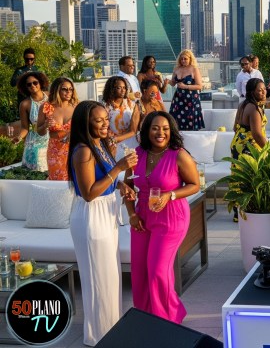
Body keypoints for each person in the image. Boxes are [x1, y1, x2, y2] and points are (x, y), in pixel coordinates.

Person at [68, 100, 137, 346]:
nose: (106, 124)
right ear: (85, 124)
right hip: (91, 218)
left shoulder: (100, 145)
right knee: (98, 279)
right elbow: (89, 193)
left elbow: (104, 181)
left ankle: (111, 328)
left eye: (106, 119)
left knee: (109, 276)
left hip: (105, 215)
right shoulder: (84, 151)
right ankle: (98, 335)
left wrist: (121, 185)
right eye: (99, 121)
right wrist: (119, 168)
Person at [126, 111, 198, 324]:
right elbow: (128, 187)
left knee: (158, 271)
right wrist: (131, 214)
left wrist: (170, 195)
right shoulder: (137, 154)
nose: (161, 133)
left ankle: (168, 319)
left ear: (171, 131)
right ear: (147, 131)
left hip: (171, 217)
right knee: (139, 271)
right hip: (142, 216)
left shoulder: (179, 155)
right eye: (155, 128)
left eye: (165, 129)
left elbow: (194, 185)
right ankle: (146, 318)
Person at [230, 78, 269, 222]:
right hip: (249, 148)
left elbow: (235, 127)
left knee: (238, 178)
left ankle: (237, 213)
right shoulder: (254, 109)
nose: (263, 92)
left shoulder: (243, 104)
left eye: (264, 89)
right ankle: (247, 212)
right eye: (260, 90)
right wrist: (269, 150)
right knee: (249, 179)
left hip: (238, 144)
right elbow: (257, 134)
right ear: (252, 92)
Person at [37, 77, 79, 181]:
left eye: (71, 89)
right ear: (56, 90)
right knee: (57, 180)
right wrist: (45, 125)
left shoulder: (77, 107)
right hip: (55, 150)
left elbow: (84, 128)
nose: (69, 92)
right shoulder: (46, 107)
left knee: (75, 180)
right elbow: (40, 132)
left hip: (75, 148)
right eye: (65, 89)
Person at [13, 72, 49, 171]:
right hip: (34, 142)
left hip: (52, 138)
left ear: (40, 82)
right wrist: (19, 137)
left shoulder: (51, 97)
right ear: (26, 87)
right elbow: (25, 128)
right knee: (37, 171)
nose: (32, 85)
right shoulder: (25, 104)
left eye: (35, 82)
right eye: (29, 84)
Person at [102, 76, 141, 159]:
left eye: (124, 87)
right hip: (113, 144)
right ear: (112, 89)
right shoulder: (105, 107)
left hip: (131, 141)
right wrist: (112, 140)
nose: (123, 90)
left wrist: (115, 139)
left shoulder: (132, 105)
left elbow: (134, 130)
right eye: (119, 88)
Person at [168, 49, 205, 131]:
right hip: (178, 99)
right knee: (175, 120)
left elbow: (199, 86)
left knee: (190, 121)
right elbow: (173, 83)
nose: (183, 61)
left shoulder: (194, 69)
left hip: (191, 99)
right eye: (181, 59)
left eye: (185, 59)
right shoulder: (176, 69)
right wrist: (167, 81)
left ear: (190, 59)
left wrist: (185, 86)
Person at [9, 47, 39, 113]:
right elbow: (12, 83)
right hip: (23, 99)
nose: (29, 61)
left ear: (34, 59)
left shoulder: (37, 69)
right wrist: (21, 76)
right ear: (24, 58)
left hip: (35, 99)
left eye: (31, 59)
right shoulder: (19, 70)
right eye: (27, 59)